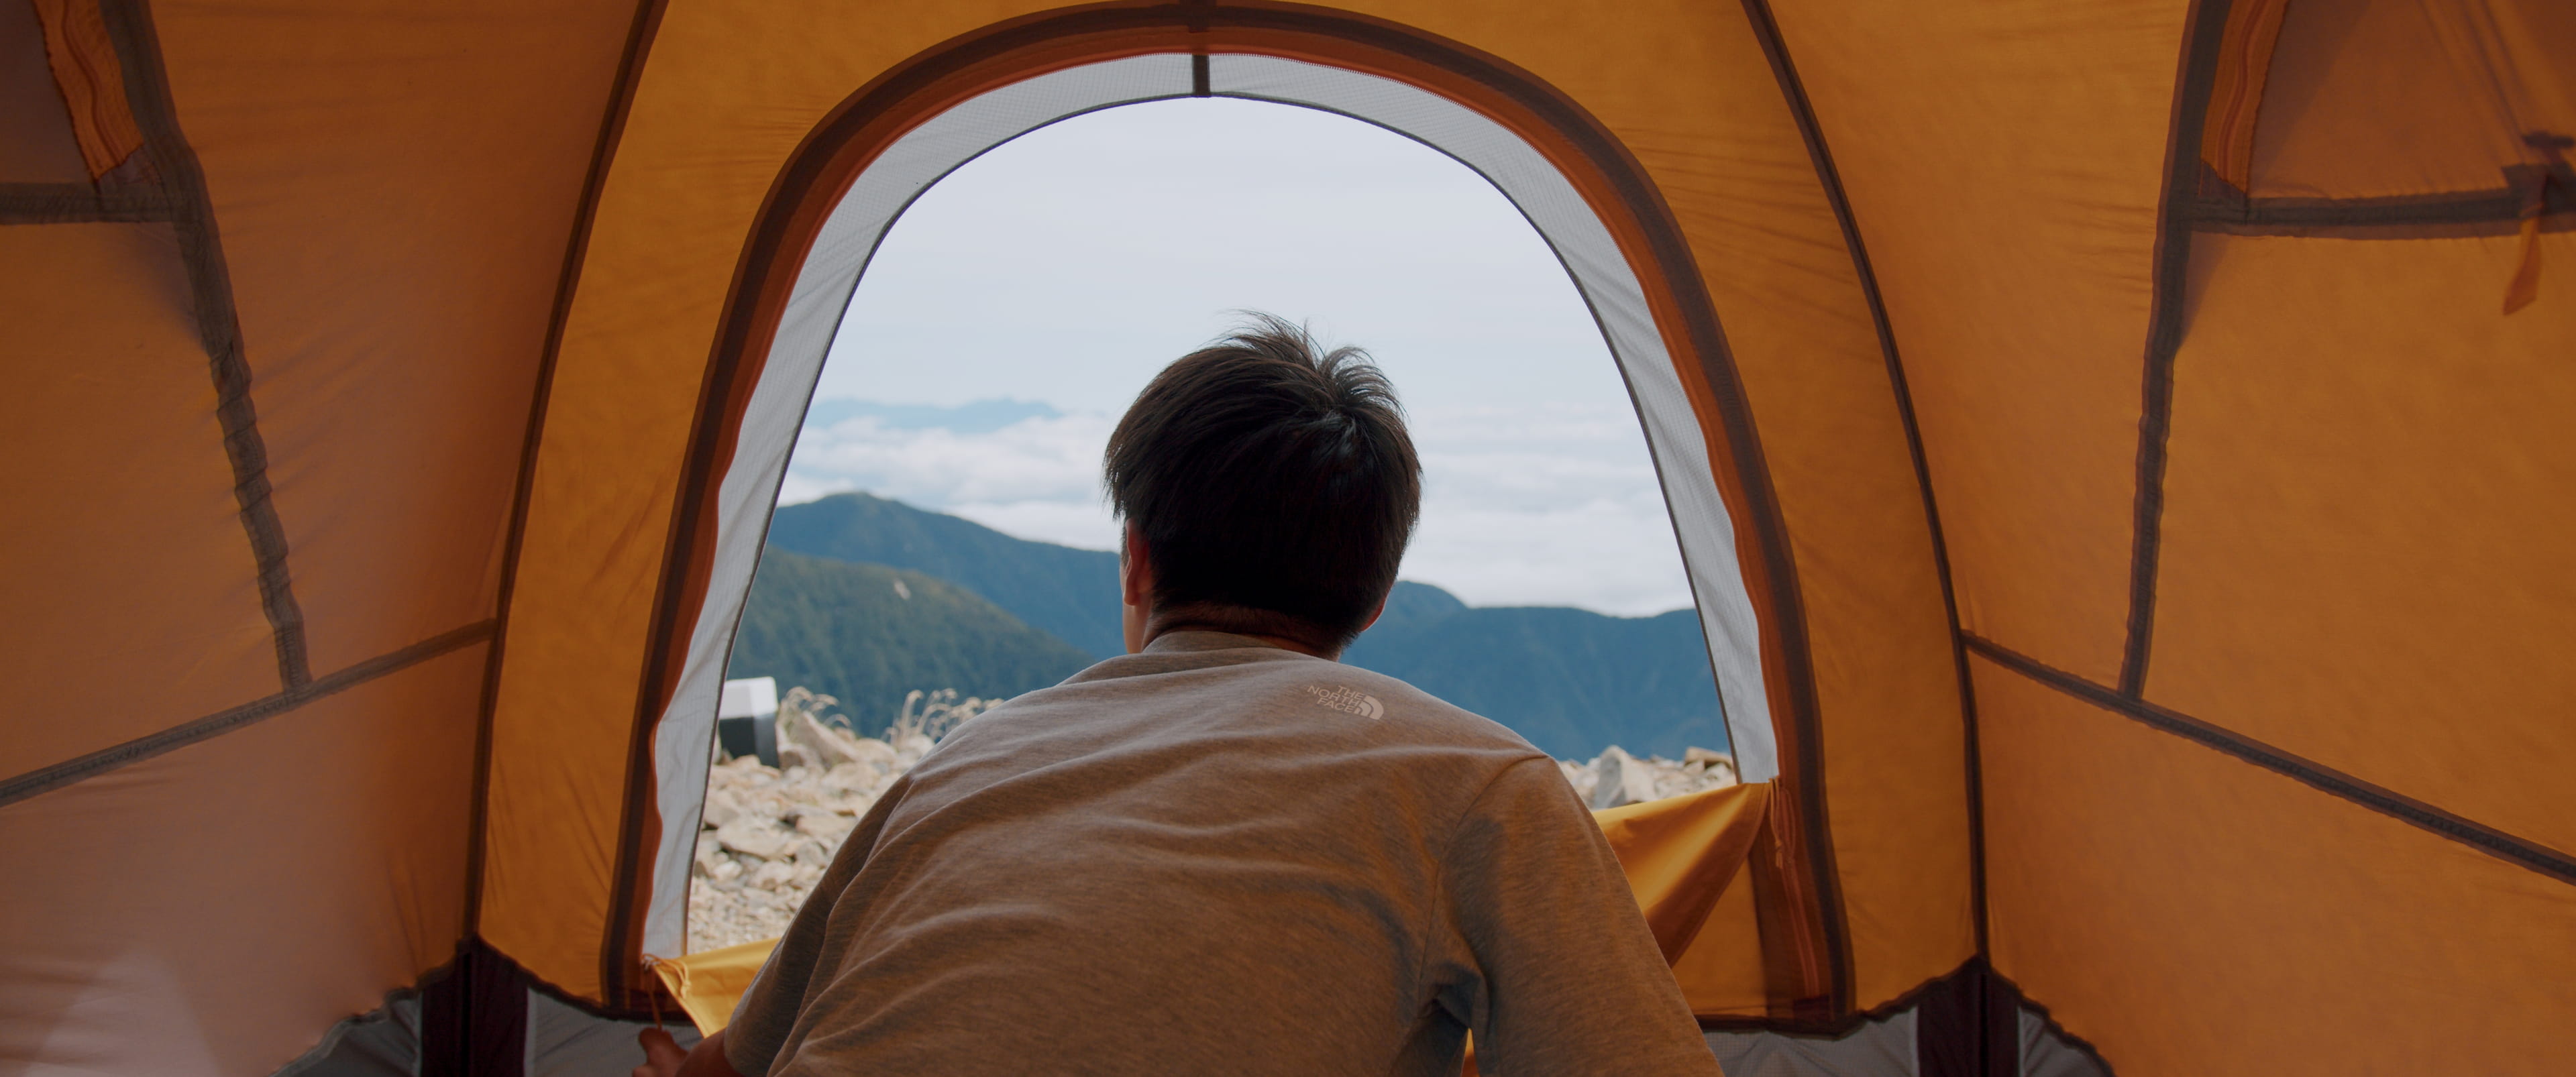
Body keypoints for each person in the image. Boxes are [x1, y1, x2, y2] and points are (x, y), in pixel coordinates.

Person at [637, 317, 1721, 1076]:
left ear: (1137, 562)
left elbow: (731, 1066)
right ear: (1378, 597)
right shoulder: (1480, 785)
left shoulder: (968, 760)